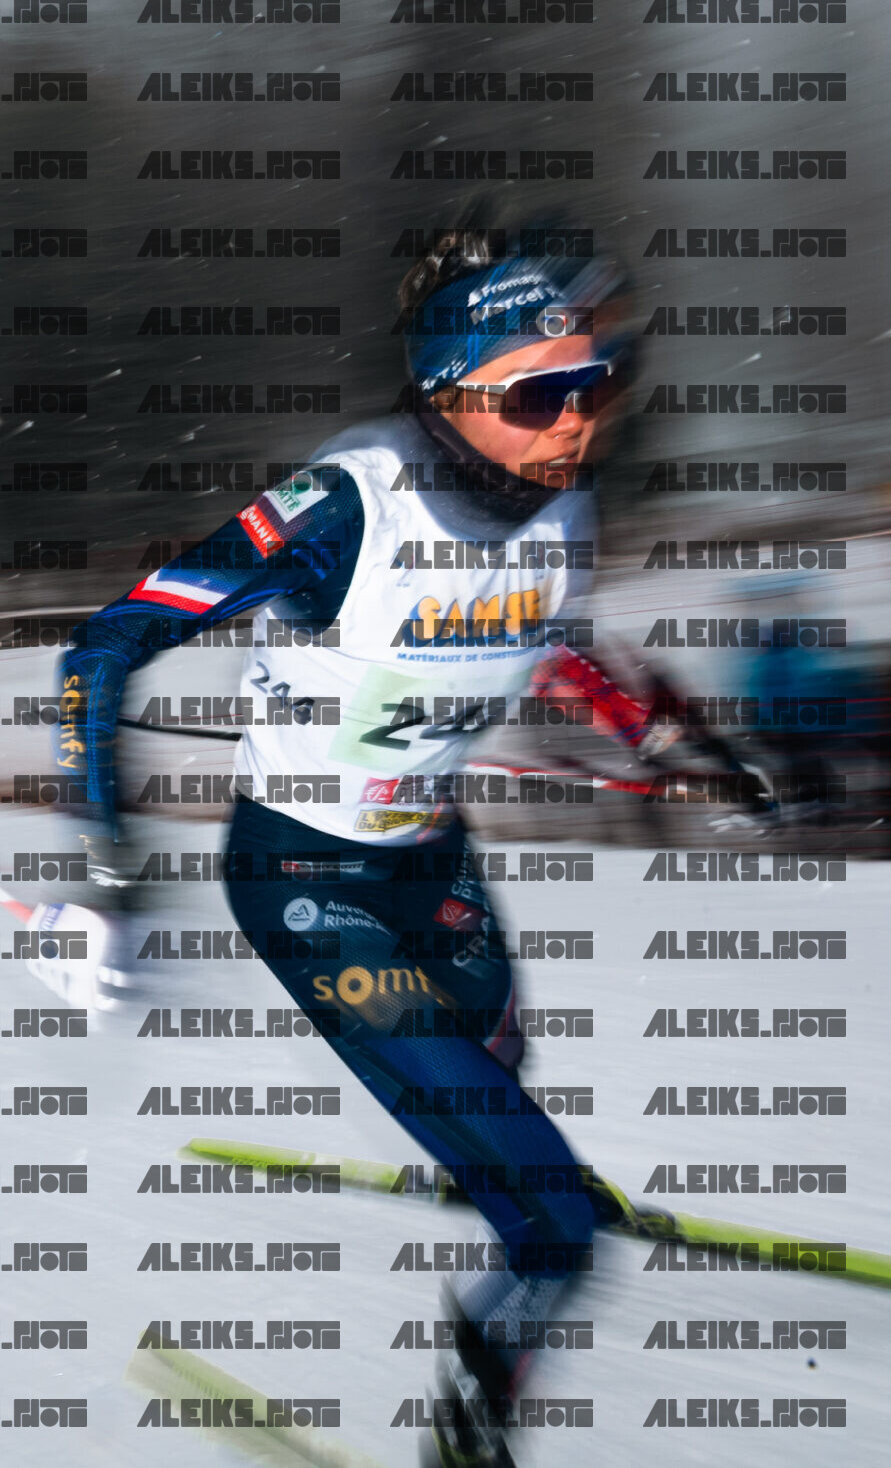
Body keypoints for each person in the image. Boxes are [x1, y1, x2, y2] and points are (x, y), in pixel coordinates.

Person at [51, 229, 710, 1468]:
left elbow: (547, 636)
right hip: (304, 881)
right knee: (556, 1238)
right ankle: (475, 1400)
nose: (578, 420)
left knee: (501, 1049)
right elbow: (100, 648)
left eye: (595, 381)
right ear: (451, 398)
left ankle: (504, 1169)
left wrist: (660, 736)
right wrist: (103, 871)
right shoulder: (346, 506)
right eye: (539, 396)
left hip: (427, 850)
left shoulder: (565, 501)